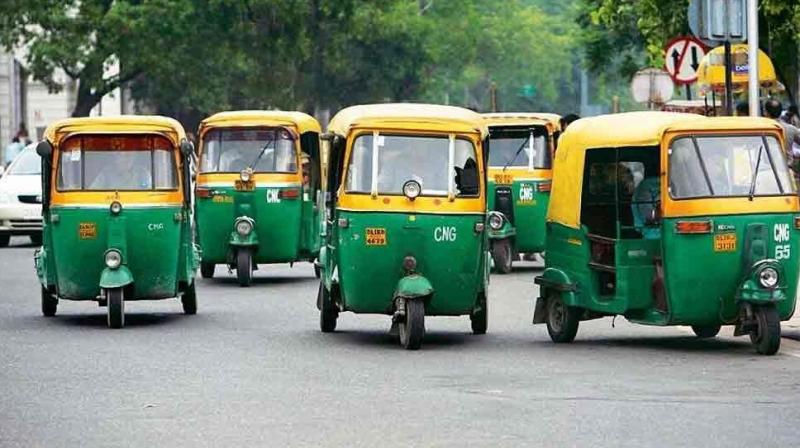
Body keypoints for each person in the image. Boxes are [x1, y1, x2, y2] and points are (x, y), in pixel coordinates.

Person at [764, 99, 800, 177]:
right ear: (781, 112)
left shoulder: (761, 129)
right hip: (787, 173)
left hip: (766, 171)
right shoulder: (791, 129)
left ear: (766, 112)